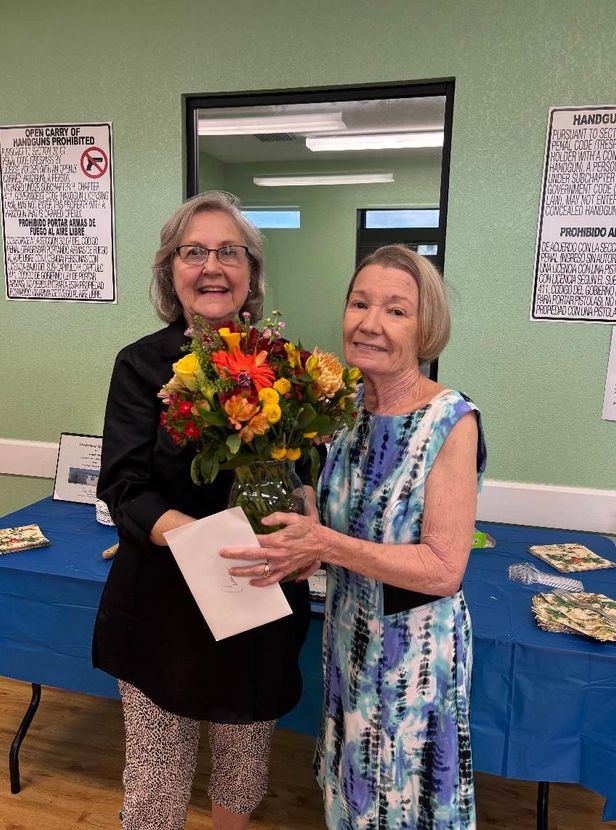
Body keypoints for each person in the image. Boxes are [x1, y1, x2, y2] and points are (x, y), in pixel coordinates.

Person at [221, 244, 487, 829]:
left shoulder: (451, 421)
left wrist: (323, 544)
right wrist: (299, 525)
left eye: (396, 310)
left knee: (400, 806)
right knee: (351, 800)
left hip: (413, 658)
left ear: (427, 329)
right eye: (359, 303)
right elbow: (342, 519)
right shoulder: (344, 411)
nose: (370, 323)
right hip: (349, 640)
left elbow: (444, 569)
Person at [92, 191, 311, 830]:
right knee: (157, 787)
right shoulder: (139, 366)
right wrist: (203, 540)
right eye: (194, 252)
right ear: (171, 272)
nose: (211, 266)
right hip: (164, 606)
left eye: (228, 252)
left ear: (251, 273)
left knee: (242, 770)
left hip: (256, 597)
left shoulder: (285, 365)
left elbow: (301, 471)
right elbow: (125, 485)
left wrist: (301, 514)